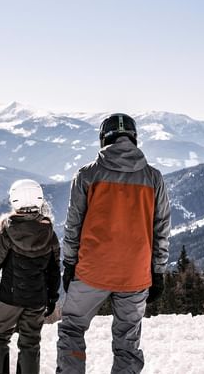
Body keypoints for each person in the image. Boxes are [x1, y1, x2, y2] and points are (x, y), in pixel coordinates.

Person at [56, 113, 171, 374]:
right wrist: (158, 271)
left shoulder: (87, 175)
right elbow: (161, 228)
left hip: (92, 270)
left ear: (103, 139)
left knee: (73, 328)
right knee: (127, 343)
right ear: (133, 139)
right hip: (135, 273)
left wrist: (69, 263)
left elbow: (73, 225)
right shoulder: (154, 178)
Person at [0, 179, 61, 374]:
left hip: (10, 297)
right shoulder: (50, 233)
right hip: (37, 299)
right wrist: (52, 299)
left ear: (15, 200)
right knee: (30, 343)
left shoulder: (8, 231)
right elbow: (54, 270)